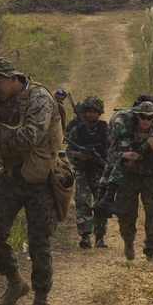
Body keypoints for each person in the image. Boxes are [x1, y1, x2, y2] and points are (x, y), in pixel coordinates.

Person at [0, 57, 63, 305]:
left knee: (38, 242)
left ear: (15, 78)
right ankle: (15, 282)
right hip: (11, 176)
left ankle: (41, 301)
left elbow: (29, 138)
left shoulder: (40, 99)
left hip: (41, 179)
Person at [93, 100, 153, 263]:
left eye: (149, 117)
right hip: (127, 178)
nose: (145, 120)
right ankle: (128, 241)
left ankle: (151, 251)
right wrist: (125, 155)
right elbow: (110, 156)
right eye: (142, 116)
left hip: (149, 178)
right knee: (127, 215)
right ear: (137, 116)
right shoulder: (125, 131)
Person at [64, 96, 110, 249]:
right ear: (84, 113)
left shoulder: (105, 129)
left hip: (100, 172)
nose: (91, 115)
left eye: (94, 111)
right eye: (88, 111)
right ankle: (85, 235)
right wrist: (78, 155)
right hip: (83, 171)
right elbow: (68, 150)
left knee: (100, 203)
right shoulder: (78, 130)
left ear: (99, 113)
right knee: (82, 201)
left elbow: (113, 149)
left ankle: (100, 237)